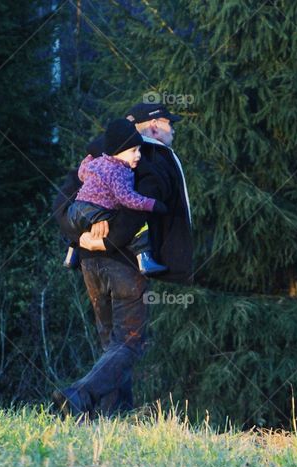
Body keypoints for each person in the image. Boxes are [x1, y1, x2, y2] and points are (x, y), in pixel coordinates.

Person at [52, 102, 194, 417]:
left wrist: (80, 238)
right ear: (154, 126)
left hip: (89, 262)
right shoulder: (154, 159)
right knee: (130, 342)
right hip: (125, 263)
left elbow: (62, 203)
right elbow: (134, 213)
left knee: (112, 345)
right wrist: (106, 241)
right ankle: (78, 396)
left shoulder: (96, 156)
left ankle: (113, 415)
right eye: (170, 124)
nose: (173, 130)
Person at [64, 118, 169, 276]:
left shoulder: (97, 163)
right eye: (133, 151)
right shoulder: (119, 171)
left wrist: (88, 158)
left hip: (75, 210)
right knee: (139, 227)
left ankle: (71, 255)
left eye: (139, 150)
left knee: (78, 226)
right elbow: (126, 198)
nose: (138, 155)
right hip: (96, 210)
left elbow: (82, 173)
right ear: (117, 151)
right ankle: (145, 260)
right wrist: (151, 204)